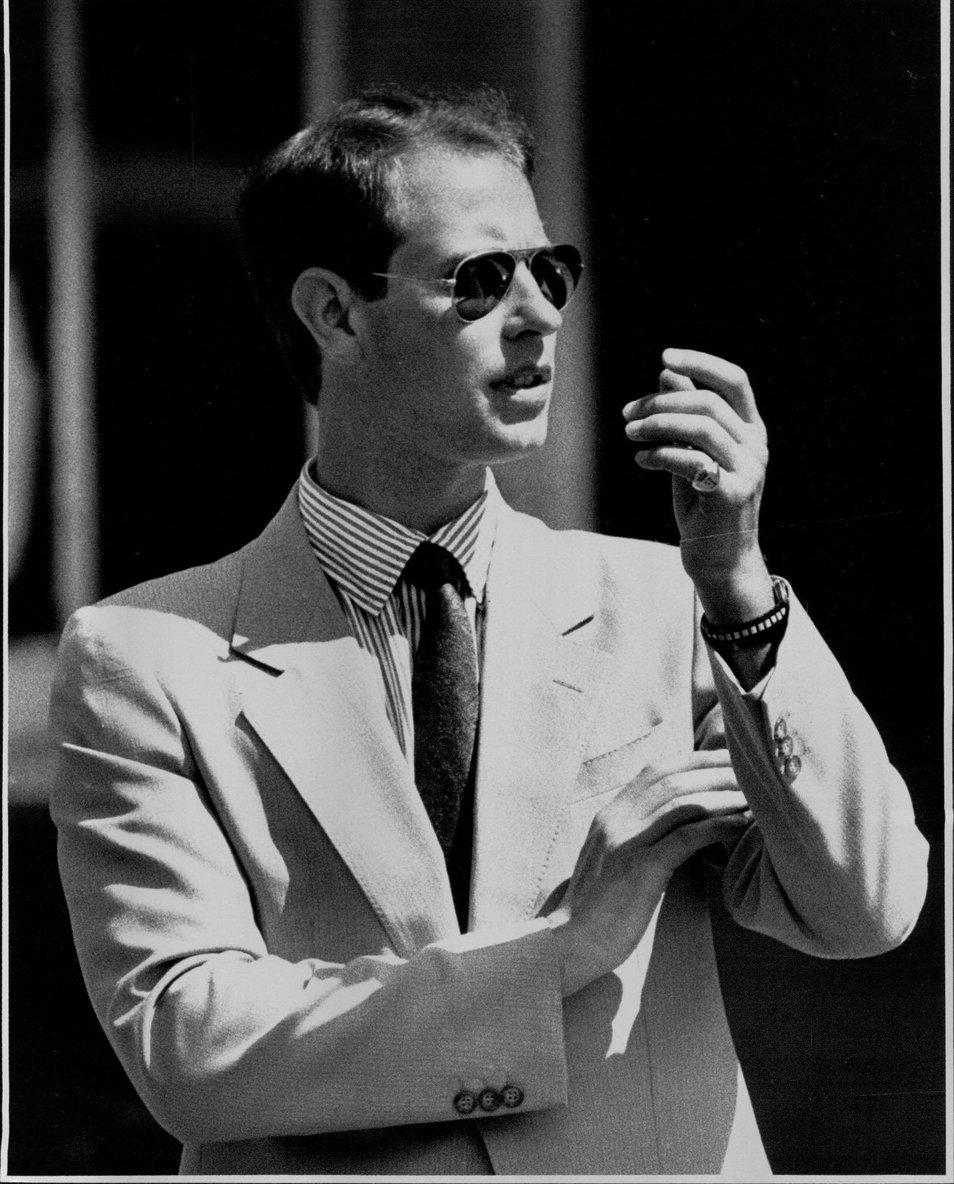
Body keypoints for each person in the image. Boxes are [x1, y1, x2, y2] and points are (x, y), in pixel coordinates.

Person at [49, 85, 928, 1177]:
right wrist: (560, 954)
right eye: (480, 280)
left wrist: (744, 591)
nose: (540, 314)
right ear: (333, 314)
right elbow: (192, 1050)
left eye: (549, 271)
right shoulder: (142, 656)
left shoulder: (676, 604)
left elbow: (868, 906)